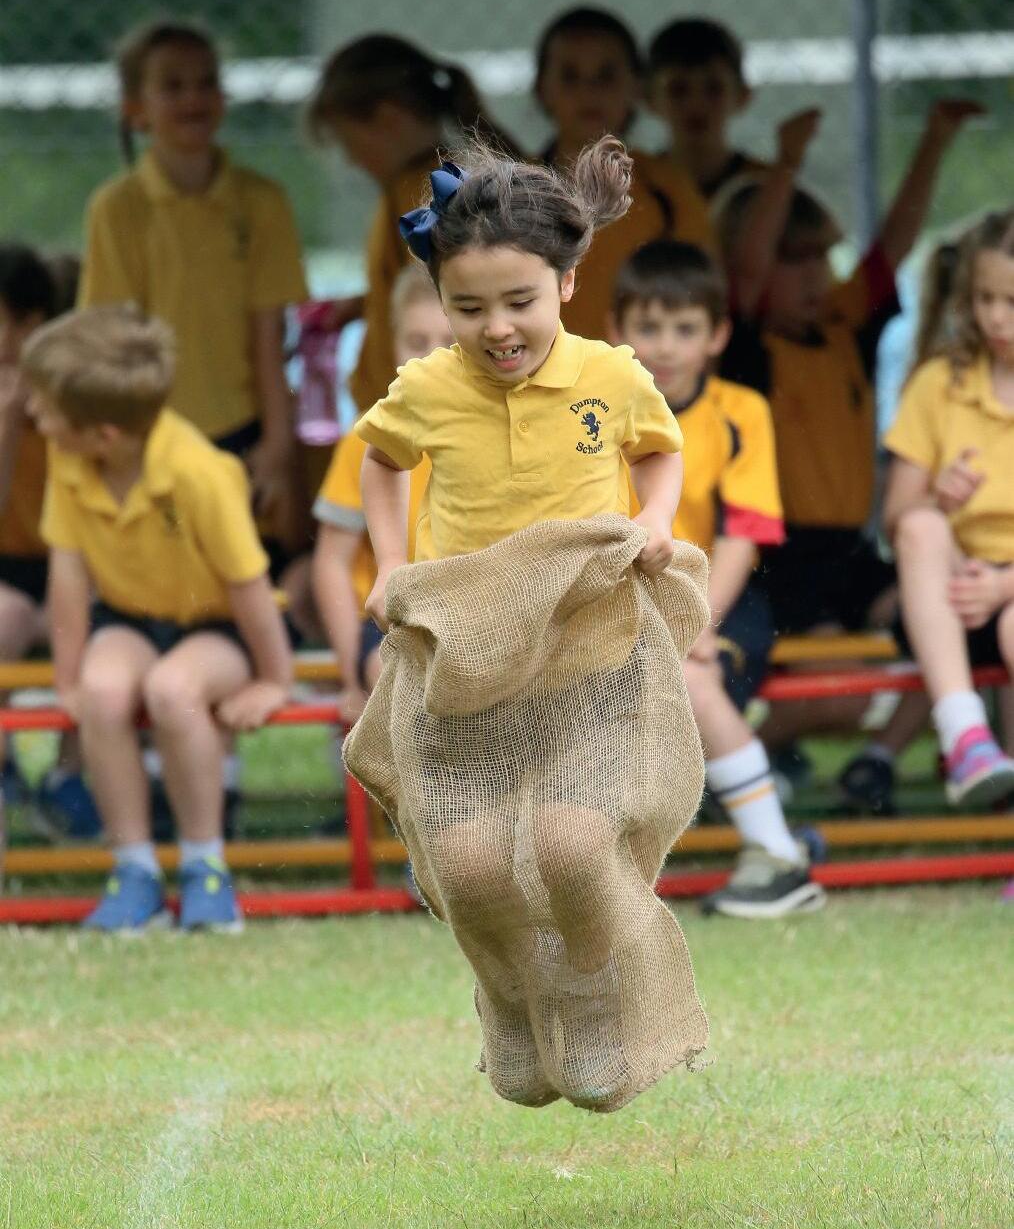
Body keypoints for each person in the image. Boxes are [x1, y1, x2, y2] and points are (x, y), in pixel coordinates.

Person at [356, 138, 690, 1102]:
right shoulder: (427, 387)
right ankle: (511, 996)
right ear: (440, 301)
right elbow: (380, 462)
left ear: (567, 283)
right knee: (467, 864)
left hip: (588, 655)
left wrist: (655, 520)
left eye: (519, 302)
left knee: (572, 847)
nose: (497, 328)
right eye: (468, 308)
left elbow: (658, 449)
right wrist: (389, 564)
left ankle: (587, 993)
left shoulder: (609, 376)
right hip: (471, 663)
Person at [718, 100, 982, 803]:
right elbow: (746, 270)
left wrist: (934, 139)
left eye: (820, 258)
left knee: (952, 613)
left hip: (852, 553)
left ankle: (877, 760)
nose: (813, 276)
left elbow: (892, 247)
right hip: (782, 558)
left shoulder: (844, 332)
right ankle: (728, 766)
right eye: (793, 259)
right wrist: (786, 164)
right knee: (838, 695)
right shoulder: (747, 349)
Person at [23, 306, 293, 932]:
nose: (33, 414)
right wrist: (67, 678)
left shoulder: (199, 473)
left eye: (44, 407)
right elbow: (69, 576)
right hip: (130, 616)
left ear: (103, 436)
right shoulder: (70, 458)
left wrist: (274, 679)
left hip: (217, 626)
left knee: (172, 689)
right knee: (102, 691)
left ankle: (204, 864)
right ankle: (135, 870)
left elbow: (249, 586)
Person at [612, 240, 823, 917]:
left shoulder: (741, 410)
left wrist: (695, 617)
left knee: (690, 676)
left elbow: (743, 534)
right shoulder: (595, 413)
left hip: (718, 598)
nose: (665, 346)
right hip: (618, 601)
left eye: (685, 329)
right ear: (616, 331)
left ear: (718, 335)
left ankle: (778, 855)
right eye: (649, 327)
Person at [79, 19, 307, 555]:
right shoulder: (117, 210)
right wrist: (129, 450)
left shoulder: (262, 203)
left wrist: (277, 446)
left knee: (252, 572)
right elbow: (116, 343)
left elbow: (269, 339)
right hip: (153, 434)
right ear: (136, 108)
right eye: (173, 85)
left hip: (243, 436)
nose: (193, 98)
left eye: (206, 82)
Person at [306, 35, 518, 414]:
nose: (352, 161)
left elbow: (438, 301)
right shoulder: (431, 183)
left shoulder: (425, 190)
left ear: (388, 119)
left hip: (420, 412)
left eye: (350, 143)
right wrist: (366, 303)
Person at [882, 208, 1014, 810]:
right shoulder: (938, 383)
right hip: (947, 598)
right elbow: (896, 517)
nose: (995, 317)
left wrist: (1004, 585)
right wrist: (939, 498)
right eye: (985, 298)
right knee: (921, 524)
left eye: (1011, 302)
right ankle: (965, 740)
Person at [312, 267, 451, 722]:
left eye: (449, 343)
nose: (433, 359)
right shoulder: (367, 438)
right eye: (416, 342)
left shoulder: (503, 432)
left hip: (475, 614)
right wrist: (349, 675)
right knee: (405, 679)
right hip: (390, 625)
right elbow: (332, 563)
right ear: (392, 344)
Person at [534, 7, 714, 343]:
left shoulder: (668, 189)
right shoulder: (516, 191)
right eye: (570, 76)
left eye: (606, 75)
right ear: (542, 88)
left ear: (636, 87)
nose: (589, 91)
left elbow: (703, 298)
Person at [0, 245, 101, 835]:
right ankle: (5, 768)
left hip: (75, 567)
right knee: (5, 618)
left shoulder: (77, 401)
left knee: (95, 623)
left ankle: (70, 773)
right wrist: (8, 421)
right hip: (9, 571)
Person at [645, 18, 769, 203]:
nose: (696, 104)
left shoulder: (765, 186)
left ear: (743, 95)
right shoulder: (634, 186)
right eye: (678, 90)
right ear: (648, 98)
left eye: (714, 89)